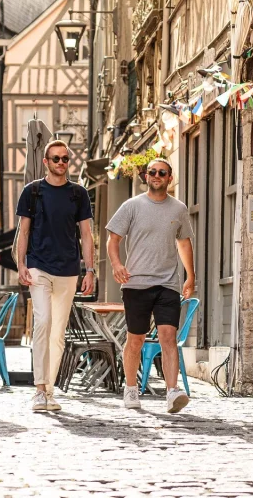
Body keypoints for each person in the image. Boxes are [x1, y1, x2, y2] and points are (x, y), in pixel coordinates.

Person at [106, 157, 196, 413]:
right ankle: (131, 388)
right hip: (136, 284)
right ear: (146, 176)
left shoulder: (178, 209)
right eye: (152, 171)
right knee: (136, 339)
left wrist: (190, 275)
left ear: (170, 178)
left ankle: (171, 392)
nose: (156, 175)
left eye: (162, 172)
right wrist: (116, 265)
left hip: (168, 284)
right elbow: (113, 239)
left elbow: (184, 243)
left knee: (169, 338)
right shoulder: (131, 206)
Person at [15, 139, 95, 413]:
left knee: (58, 332)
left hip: (69, 269)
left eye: (65, 158)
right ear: (46, 162)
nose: (61, 163)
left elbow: (86, 234)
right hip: (38, 265)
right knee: (43, 322)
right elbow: (23, 232)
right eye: (56, 159)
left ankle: (49, 390)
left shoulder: (78, 194)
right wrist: (21, 264)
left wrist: (91, 269)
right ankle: (39, 389)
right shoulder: (32, 192)